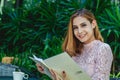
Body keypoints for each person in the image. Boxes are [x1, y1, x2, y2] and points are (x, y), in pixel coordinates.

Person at [36, 8, 113, 80]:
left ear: (93, 24)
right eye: (75, 28)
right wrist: (46, 70)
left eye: (83, 25)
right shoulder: (75, 52)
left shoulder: (103, 48)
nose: (79, 31)